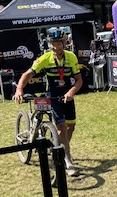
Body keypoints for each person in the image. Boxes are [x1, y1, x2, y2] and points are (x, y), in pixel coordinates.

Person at [13, 28, 82, 176]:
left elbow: (79, 80)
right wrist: (19, 89)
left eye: (59, 44)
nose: (56, 47)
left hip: (67, 96)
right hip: (53, 97)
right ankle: (68, 161)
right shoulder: (45, 58)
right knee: (61, 127)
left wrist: (71, 92)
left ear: (64, 43)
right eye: (53, 44)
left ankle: (61, 147)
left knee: (71, 126)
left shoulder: (71, 57)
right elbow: (27, 74)